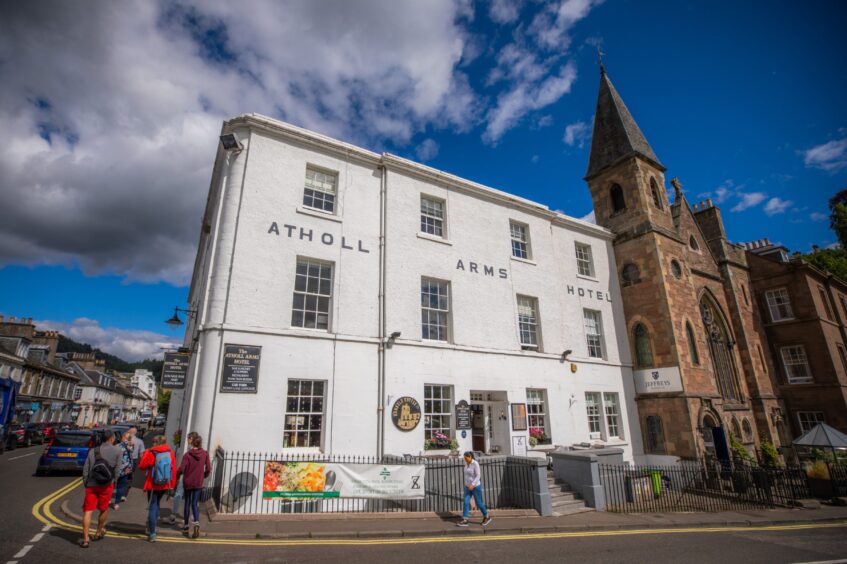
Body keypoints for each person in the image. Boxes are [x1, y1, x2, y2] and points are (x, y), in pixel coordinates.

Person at [79, 429, 122, 548]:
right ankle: (98, 532)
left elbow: (85, 470)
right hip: (107, 485)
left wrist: (86, 483)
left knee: (88, 511)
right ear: (112, 438)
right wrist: (113, 482)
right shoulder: (118, 450)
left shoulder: (93, 451)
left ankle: (86, 539)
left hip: (92, 484)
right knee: (103, 509)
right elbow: (118, 470)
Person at [138, 435, 177, 542]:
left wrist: (146, 453)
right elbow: (173, 470)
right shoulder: (170, 452)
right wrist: (172, 485)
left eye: (153, 442)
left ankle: (152, 533)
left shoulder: (152, 452)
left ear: (156, 442)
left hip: (153, 484)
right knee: (157, 504)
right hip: (165, 484)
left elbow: (141, 466)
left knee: (152, 506)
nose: (152, 444)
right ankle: (153, 527)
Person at [176, 434, 211, 539]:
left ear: (192, 442)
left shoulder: (187, 455)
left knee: (187, 503)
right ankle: (196, 523)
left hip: (188, 482)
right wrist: (203, 475)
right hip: (198, 483)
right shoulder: (205, 454)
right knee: (195, 503)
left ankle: (186, 526)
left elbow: (181, 469)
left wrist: (177, 476)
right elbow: (209, 468)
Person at [168, 431, 199, 525]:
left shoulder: (191, 451)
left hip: (187, 476)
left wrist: (177, 475)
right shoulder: (199, 451)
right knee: (187, 497)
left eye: (188, 438)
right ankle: (189, 516)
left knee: (181, 495)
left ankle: (188, 517)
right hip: (194, 477)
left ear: (192, 439)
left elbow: (183, 466)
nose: (187, 440)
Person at [456, 451, 492, 527]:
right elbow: (466, 476)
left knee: (479, 503)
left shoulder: (475, 464)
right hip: (467, 487)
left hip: (475, 487)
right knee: (466, 502)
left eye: (466, 458)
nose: (465, 459)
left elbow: (478, 475)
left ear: (470, 457)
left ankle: (487, 516)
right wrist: (467, 484)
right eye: (464, 458)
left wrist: (472, 484)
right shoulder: (466, 464)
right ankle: (465, 520)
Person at [112, 432, 134, 510]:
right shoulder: (131, 446)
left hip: (117, 469)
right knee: (121, 487)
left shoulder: (118, 446)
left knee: (112, 485)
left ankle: (108, 500)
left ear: (124, 437)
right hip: (126, 470)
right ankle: (116, 504)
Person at [123, 425, 144, 502]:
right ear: (136, 433)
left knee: (122, 475)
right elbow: (142, 454)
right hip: (133, 461)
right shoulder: (139, 441)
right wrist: (142, 464)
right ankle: (124, 494)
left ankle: (120, 491)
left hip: (123, 460)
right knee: (130, 476)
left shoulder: (123, 440)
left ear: (129, 431)